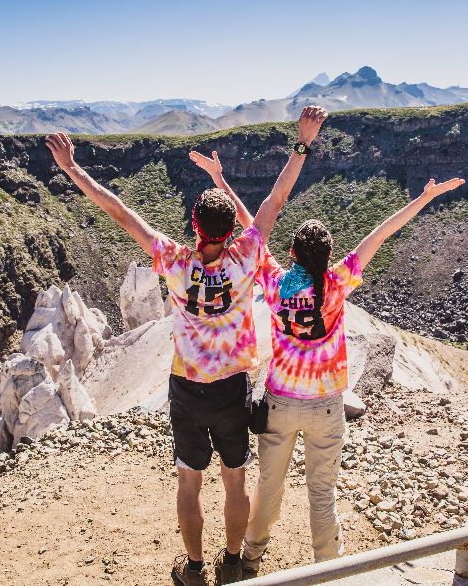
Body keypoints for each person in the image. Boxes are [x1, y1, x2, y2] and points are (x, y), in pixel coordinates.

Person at [45, 105, 328, 586]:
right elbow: (277, 198)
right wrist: (302, 142)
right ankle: (232, 563)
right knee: (235, 478)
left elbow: (120, 213)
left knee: (189, 480)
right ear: (231, 232)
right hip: (232, 388)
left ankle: (194, 569)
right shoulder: (247, 255)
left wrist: (72, 168)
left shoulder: (174, 262)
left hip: (187, 389)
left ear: (195, 226)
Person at [191, 148, 463, 576]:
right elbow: (380, 233)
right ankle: (328, 571)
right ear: (328, 256)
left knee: (268, 486)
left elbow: (251, 227)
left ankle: (251, 558)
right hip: (327, 406)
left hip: (280, 402)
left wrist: (221, 181)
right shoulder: (337, 283)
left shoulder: (275, 282)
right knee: (322, 493)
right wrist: (425, 198)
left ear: (293, 253)